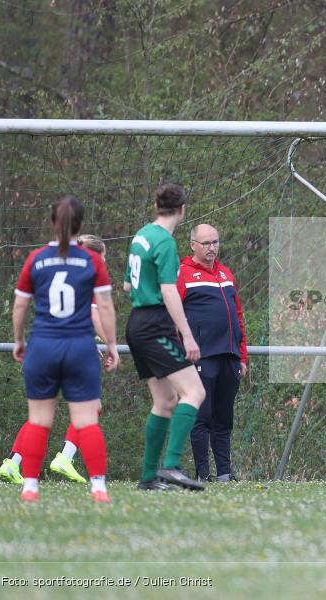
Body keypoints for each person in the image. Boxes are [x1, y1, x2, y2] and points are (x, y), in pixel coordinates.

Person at [9, 196, 119, 502]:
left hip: (43, 345)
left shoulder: (36, 258)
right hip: (79, 347)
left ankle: (30, 487)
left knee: (39, 419)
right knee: (86, 419)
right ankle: (98, 487)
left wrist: (19, 340)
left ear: (53, 224)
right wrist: (111, 344)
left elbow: (20, 304)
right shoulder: (92, 260)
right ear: (80, 226)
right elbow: (105, 306)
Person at [125, 182, 206, 491]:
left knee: (165, 399)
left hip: (136, 323)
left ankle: (148, 477)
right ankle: (171, 465)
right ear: (182, 210)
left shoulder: (141, 236)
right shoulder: (165, 241)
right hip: (154, 326)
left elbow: (126, 285)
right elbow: (169, 290)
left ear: (156, 206)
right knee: (195, 392)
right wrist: (187, 335)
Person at [178, 223, 248, 482]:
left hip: (229, 357)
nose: (212, 247)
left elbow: (238, 315)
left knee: (224, 419)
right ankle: (203, 473)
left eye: (215, 242)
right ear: (193, 245)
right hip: (200, 358)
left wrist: (242, 355)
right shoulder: (183, 273)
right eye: (206, 243)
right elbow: (171, 314)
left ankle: (225, 474)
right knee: (202, 417)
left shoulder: (225, 273)